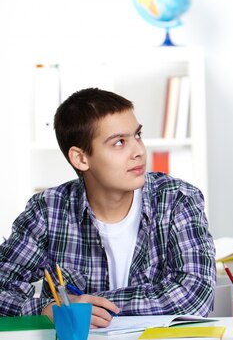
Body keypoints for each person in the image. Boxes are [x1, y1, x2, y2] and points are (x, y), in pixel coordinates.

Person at [0, 88, 216, 327]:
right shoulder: (48, 210)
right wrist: (46, 309)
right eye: (120, 142)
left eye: (138, 135)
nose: (139, 151)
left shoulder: (177, 199)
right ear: (81, 158)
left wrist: (81, 306)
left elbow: (195, 296)